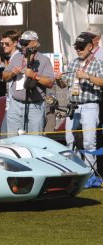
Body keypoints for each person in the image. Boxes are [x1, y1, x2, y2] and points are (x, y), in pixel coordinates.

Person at [55, 33, 103, 169]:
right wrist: (58, 78)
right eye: (77, 47)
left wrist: (87, 76)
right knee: (70, 140)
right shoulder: (73, 63)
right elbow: (63, 85)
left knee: (89, 142)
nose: (78, 50)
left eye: (81, 47)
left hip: (90, 106)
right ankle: (74, 169)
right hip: (73, 106)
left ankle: (90, 173)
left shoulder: (97, 63)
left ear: (90, 47)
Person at [2, 30, 54, 136]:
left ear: (35, 43)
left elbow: (50, 82)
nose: (23, 46)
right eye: (22, 43)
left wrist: (35, 76)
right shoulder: (17, 57)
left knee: (35, 141)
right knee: (13, 140)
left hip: (35, 106)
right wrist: (12, 73)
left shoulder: (44, 60)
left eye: (26, 43)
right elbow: (4, 76)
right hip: (15, 105)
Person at [0, 30, 21, 136]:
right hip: (11, 103)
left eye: (7, 43)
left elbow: (5, 76)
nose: (4, 46)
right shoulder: (12, 58)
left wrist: (11, 73)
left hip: (15, 105)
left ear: (15, 43)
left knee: (6, 137)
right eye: (2, 43)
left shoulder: (18, 57)